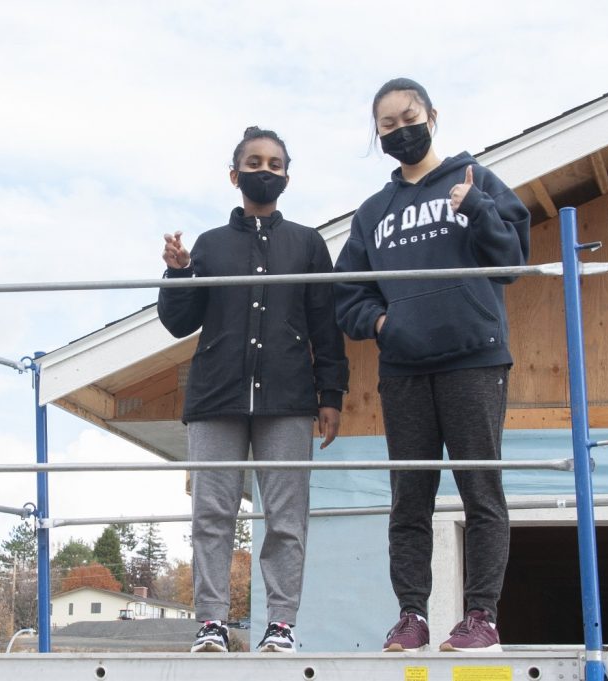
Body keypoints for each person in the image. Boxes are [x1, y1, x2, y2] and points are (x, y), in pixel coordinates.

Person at [334, 78, 530, 653]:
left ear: (432, 115)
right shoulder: (373, 213)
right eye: (386, 125)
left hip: (475, 360)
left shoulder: (477, 180)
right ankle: (411, 617)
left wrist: (477, 209)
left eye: (408, 116)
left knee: (481, 490)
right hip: (404, 371)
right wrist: (382, 324)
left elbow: (513, 260)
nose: (400, 130)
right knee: (410, 497)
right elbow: (348, 294)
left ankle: (482, 619)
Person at [158, 126, 349, 654]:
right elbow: (179, 323)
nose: (265, 171)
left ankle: (281, 625)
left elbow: (325, 326)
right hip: (215, 397)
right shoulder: (210, 245)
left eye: (275, 163)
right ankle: (211, 624)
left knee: (287, 518)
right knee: (212, 515)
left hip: (287, 399)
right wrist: (177, 275)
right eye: (254, 162)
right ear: (234, 173)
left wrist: (330, 395)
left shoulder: (308, 243)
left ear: (287, 175)